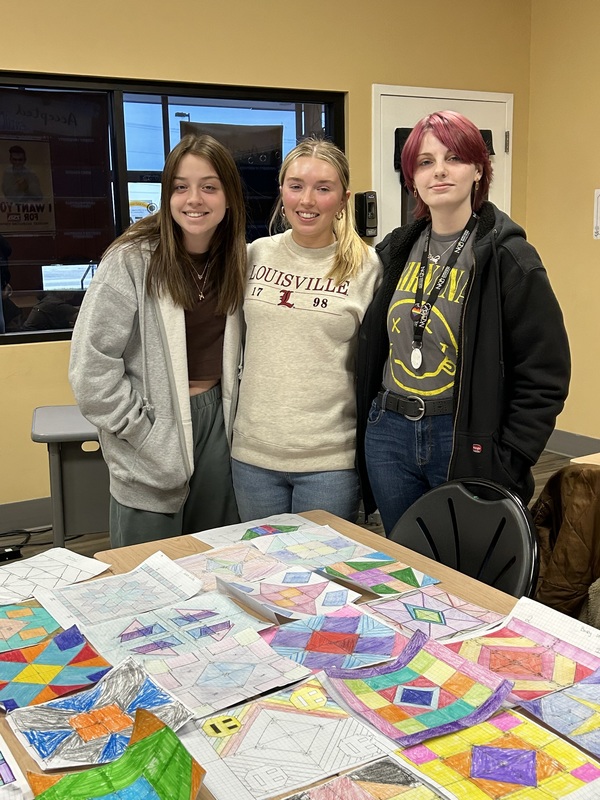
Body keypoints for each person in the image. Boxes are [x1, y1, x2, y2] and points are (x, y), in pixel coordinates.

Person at [357, 110, 570, 536]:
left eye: (453, 158)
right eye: (425, 161)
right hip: (389, 434)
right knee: (404, 560)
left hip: (461, 437)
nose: (439, 171)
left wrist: (508, 456)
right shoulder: (395, 252)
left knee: (464, 572)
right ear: (411, 177)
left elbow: (545, 373)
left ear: (478, 169)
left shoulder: (508, 259)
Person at [69, 134, 247, 546]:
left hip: (217, 424)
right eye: (180, 187)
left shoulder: (238, 258)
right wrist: (139, 430)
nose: (194, 199)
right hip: (151, 425)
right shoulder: (132, 259)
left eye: (209, 186)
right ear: (167, 195)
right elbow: (90, 367)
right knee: (147, 580)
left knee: (213, 562)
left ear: (228, 196)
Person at [223, 138, 382, 522]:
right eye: (296, 186)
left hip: (330, 460)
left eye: (323, 188)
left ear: (343, 199)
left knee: (323, 578)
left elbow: (374, 365)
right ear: (282, 191)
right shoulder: (253, 255)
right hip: (253, 455)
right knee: (263, 574)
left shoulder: (368, 266)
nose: (307, 200)